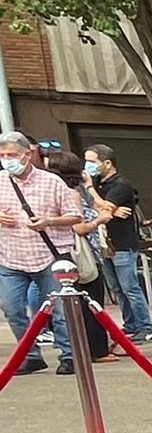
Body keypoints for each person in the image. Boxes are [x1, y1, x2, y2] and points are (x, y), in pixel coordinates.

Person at [0, 131, 81, 373]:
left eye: (12, 154)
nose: (7, 159)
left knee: (60, 310)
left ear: (27, 154)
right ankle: (30, 355)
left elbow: (75, 216)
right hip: (10, 256)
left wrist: (48, 221)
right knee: (12, 308)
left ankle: (69, 355)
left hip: (48, 255)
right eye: (2, 155)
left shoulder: (52, 182)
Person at [46, 150, 114, 361]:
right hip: (80, 253)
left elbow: (101, 204)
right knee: (89, 301)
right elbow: (79, 227)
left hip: (64, 252)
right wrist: (99, 221)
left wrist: (90, 186)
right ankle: (96, 349)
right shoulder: (71, 193)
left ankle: (85, 347)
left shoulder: (70, 190)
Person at [83, 146, 152, 343]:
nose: (88, 166)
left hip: (122, 243)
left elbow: (104, 206)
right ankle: (130, 325)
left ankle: (145, 326)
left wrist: (94, 194)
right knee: (116, 289)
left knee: (129, 286)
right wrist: (109, 210)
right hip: (104, 244)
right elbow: (96, 208)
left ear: (107, 163)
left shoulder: (121, 184)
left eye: (92, 162)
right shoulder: (98, 183)